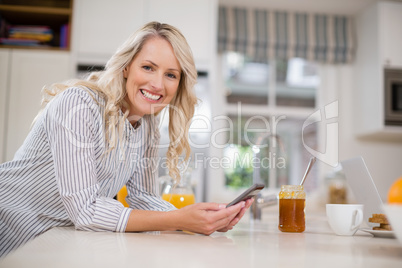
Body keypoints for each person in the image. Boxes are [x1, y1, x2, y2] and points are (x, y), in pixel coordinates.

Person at [0, 21, 253, 258]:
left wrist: (201, 218)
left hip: (51, 238)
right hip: (9, 227)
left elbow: (141, 196)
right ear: (125, 66)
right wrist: (180, 220)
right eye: (148, 67)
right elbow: (86, 211)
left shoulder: (146, 124)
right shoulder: (78, 105)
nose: (157, 84)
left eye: (171, 75)